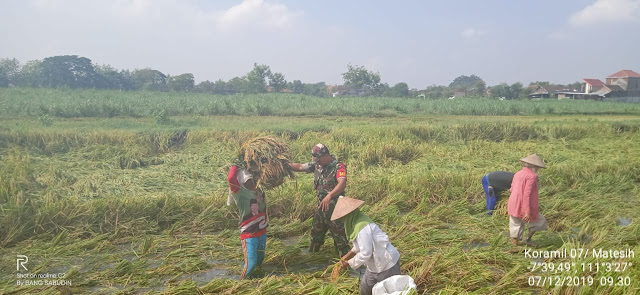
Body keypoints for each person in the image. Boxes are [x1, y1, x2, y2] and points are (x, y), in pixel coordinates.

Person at [289, 143, 350, 256]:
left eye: (319, 160)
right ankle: (313, 257)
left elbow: (342, 184)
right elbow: (300, 167)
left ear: (326, 155)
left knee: (340, 238)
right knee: (316, 234)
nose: (317, 163)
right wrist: (283, 164)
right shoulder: (317, 164)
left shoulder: (338, 166)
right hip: (322, 207)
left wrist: (330, 196)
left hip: (336, 208)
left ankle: (345, 264)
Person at [331, 196, 401, 295]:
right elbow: (359, 246)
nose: (342, 220)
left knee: (390, 292)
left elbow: (365, 253)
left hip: (387, 263)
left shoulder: (362, 226)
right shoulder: (355, 223)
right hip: (374, 265)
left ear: (349, 214)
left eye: (342, 217)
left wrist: (348, 263)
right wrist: (346, 257)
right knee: (365, 290)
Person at [227, 165, 268, 279]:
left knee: (260, 259)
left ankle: (257, 280)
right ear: (242, 183)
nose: (251, 183)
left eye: (252, 180)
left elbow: (275, 179)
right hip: (249, 234)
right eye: (247, 181)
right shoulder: (240, 194)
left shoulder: (259, 188)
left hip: (262, 231)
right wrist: (235, 165)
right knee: (251, 264)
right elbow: (231, 178)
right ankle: (240, 284)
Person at [507, 154, 548, 247]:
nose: (538, 169)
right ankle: (527, 239)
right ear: (534, 166)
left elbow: (512, 188)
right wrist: (527, 212)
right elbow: (527, 195)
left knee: (515, 223)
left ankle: (515, 245)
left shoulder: (518, 173)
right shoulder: (532, 176)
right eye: (537, 167)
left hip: (513, 202)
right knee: (540, 222)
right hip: (525, 204)